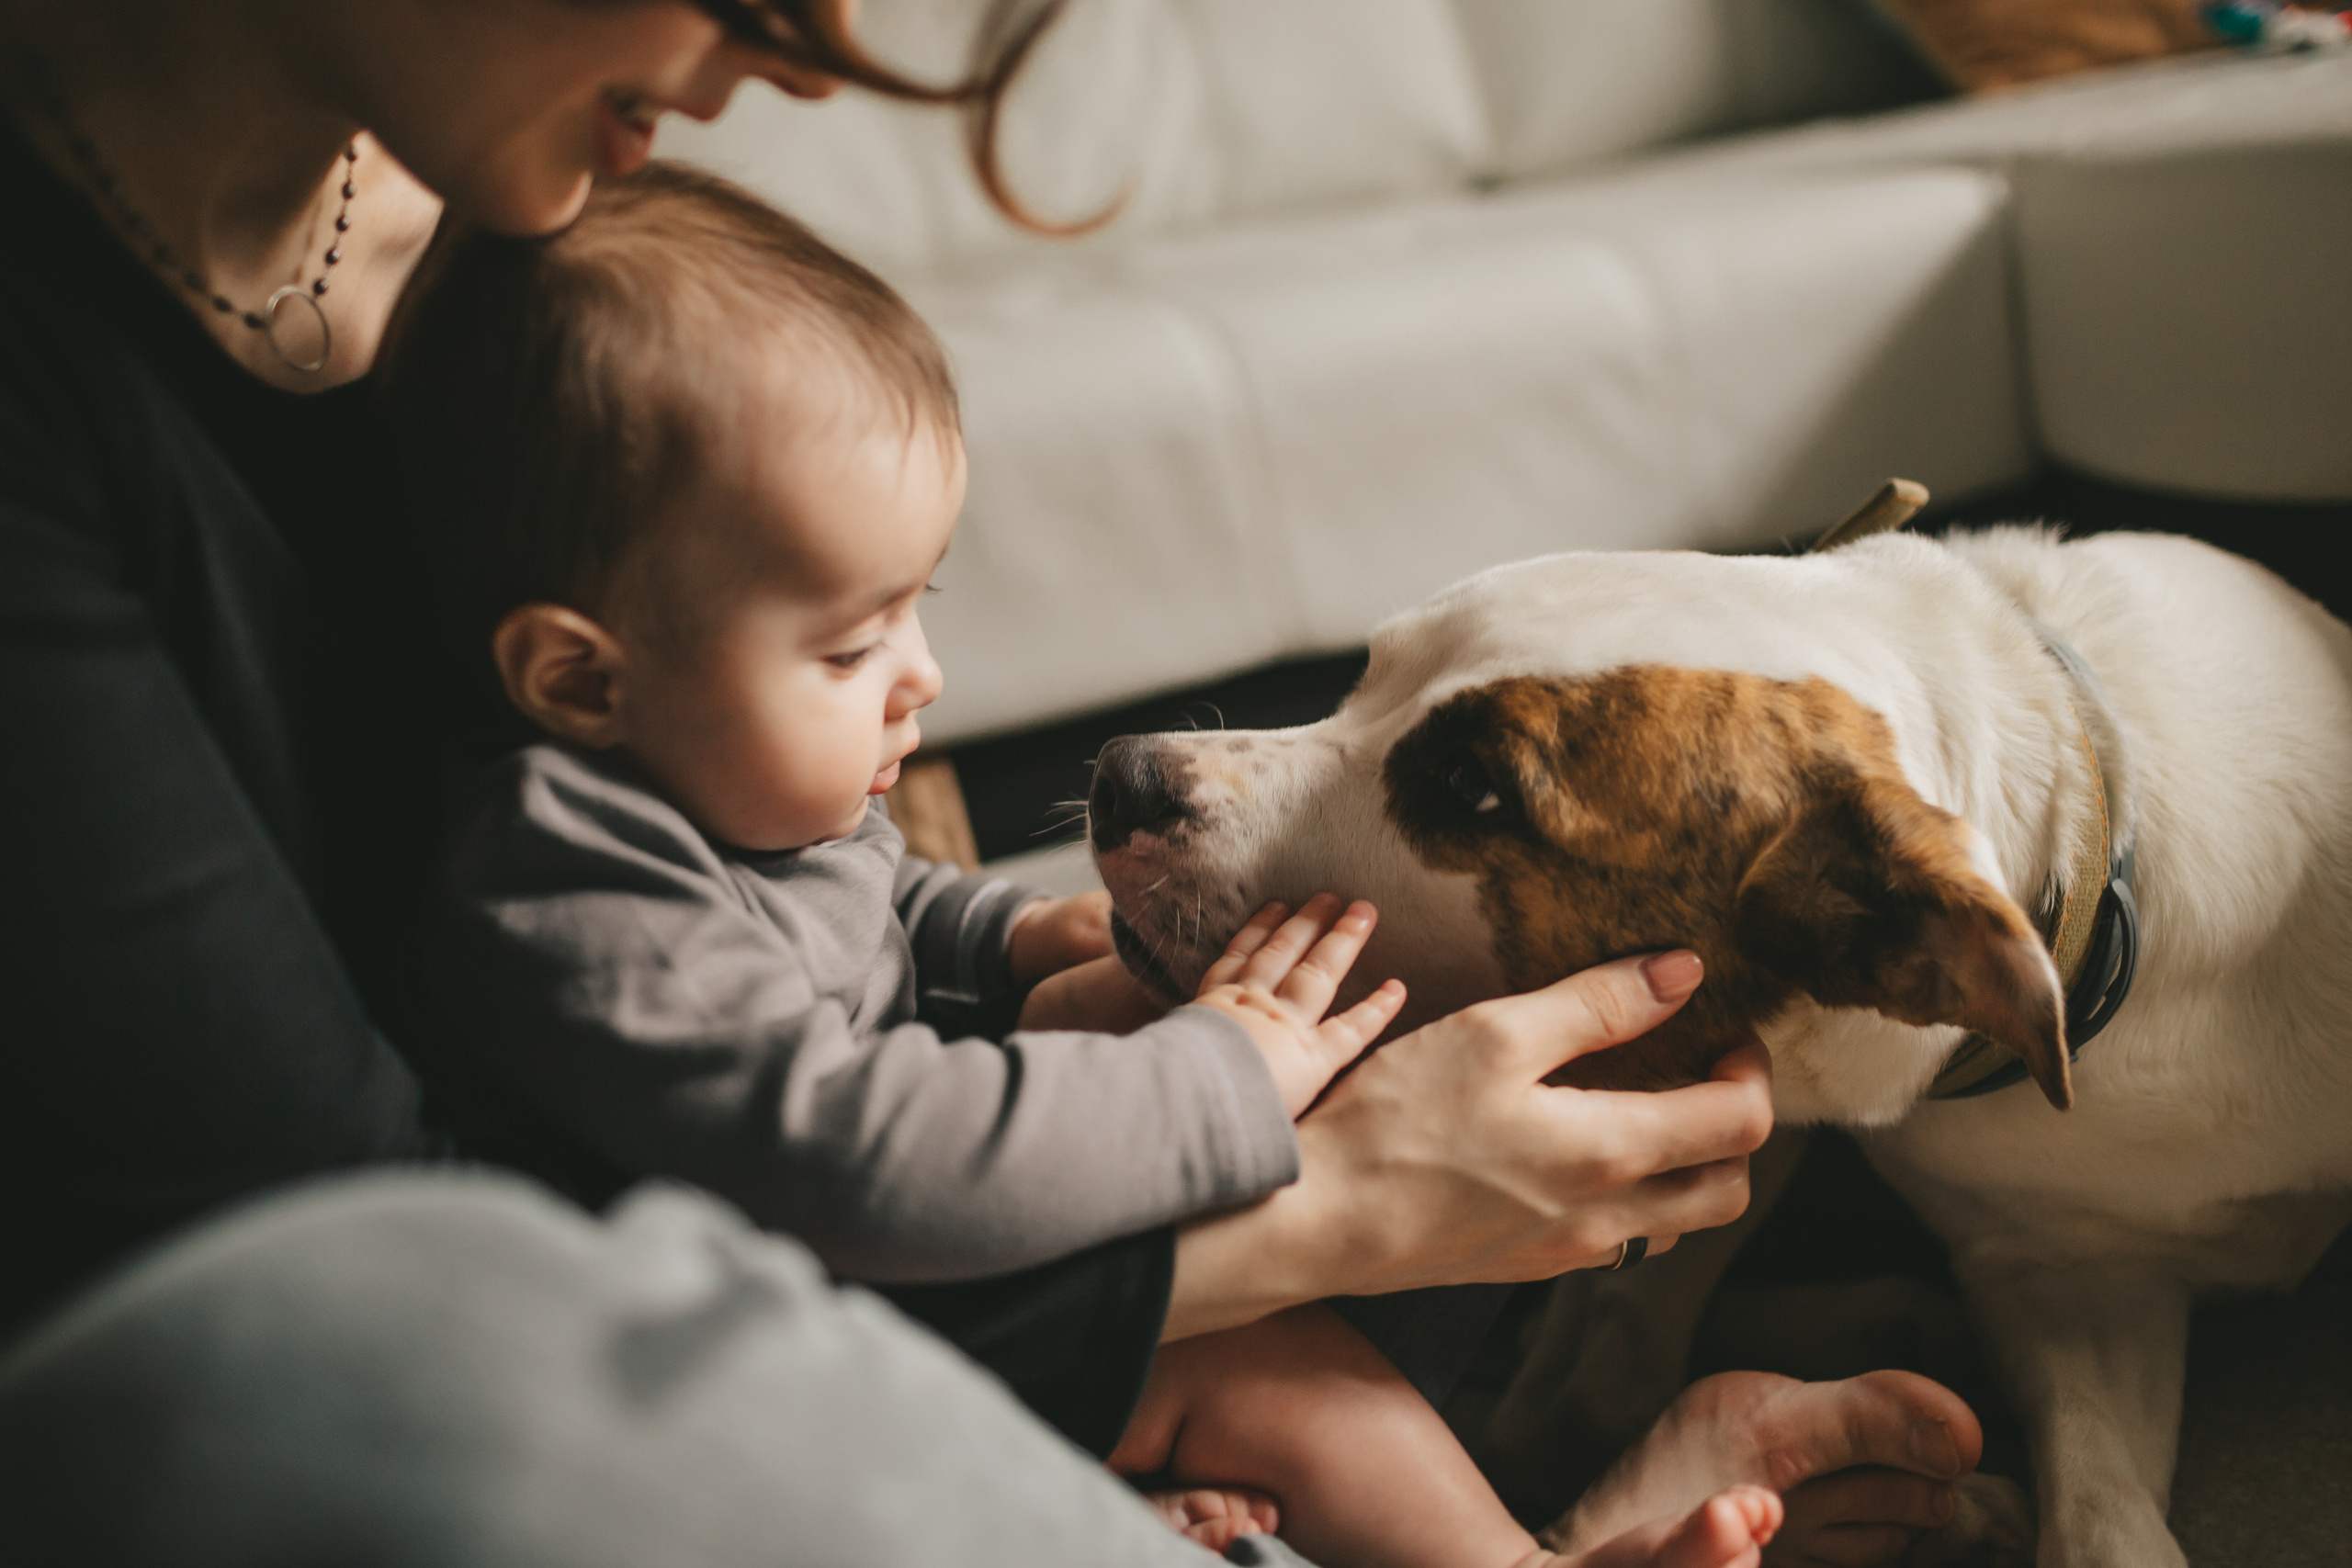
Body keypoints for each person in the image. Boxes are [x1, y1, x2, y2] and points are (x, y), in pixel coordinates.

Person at [0, 2, 1979, 1562]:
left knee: (1254, 1212)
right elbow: (418, 1322)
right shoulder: (553, 822)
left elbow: (862, 903)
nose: (777, 60)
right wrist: (1311, 1181)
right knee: (1261, 1316)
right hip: (478, 1357)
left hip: (750, 1282)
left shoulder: (520, 260)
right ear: (573, 678)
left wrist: (1047, 950)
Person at [387, 161, 1793, 1568]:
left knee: (1241, 1021)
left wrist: (1012, 945)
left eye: (914, 610)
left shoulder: (715, 784)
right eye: (847, 646)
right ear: (579, 682)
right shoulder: (576, 895)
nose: (920, 678)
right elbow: (855, 1157)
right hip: (784, 1372)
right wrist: (1220, 1077)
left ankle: (1511, 1407)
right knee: (1270, 1364)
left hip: (925, 1278)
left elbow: (878, 902)